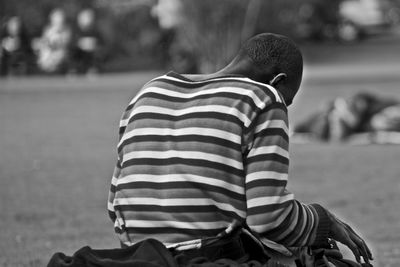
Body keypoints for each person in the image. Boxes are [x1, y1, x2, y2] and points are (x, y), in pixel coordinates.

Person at [107, 33, 373, 266]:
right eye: (287, 100)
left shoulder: (149, 92)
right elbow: (269, 219)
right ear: (278, 81)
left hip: (138, 254)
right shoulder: (262, 98)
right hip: (207, 257)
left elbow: (115, 207)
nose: (284, 105)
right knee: (316, 255)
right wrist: (321, 219)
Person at [33, 8, 72, 74]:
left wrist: (51, 43)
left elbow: (63, 44)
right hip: (49, 52)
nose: (58, 21)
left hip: (60, 53)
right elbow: (45, 41)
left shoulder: (66, 30)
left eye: (60, 19)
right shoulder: (48, 30)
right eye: (56, 19)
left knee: (59, 55)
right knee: (43, 53)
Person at [71, 8, 102, 75]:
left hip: (91, 58)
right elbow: (71, 44)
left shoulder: (96, 31)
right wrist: (80, 44)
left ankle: (92, 69)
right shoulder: (75, 31)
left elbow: (102, 44)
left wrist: (93, 44)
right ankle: (74, 70)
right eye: (85, 17)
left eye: (89, 17)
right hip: (78, 56)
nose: (87, 20)